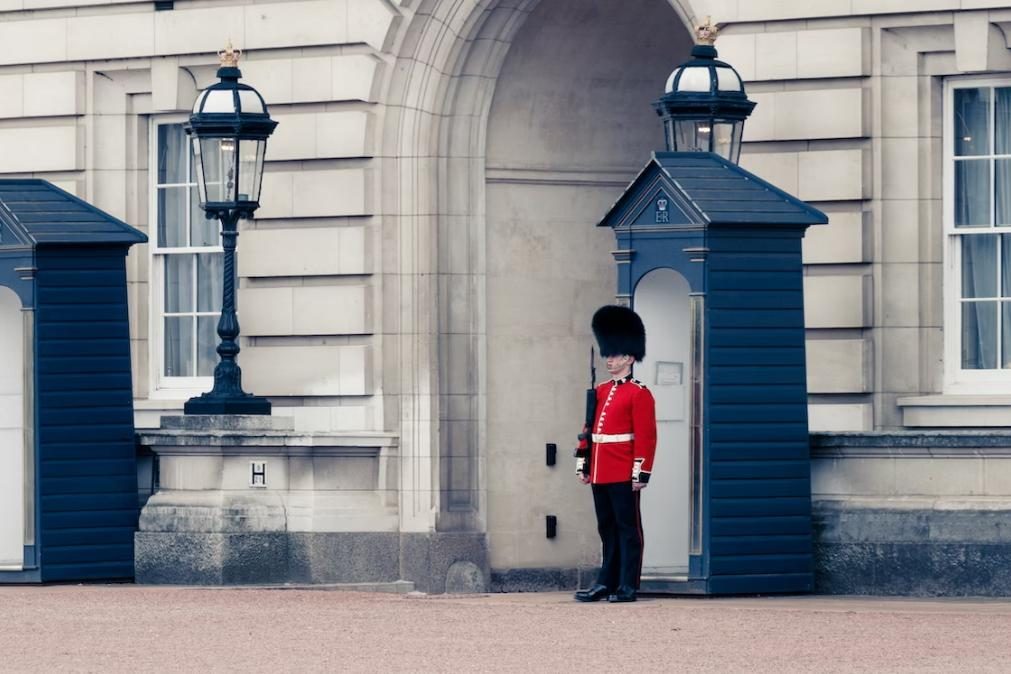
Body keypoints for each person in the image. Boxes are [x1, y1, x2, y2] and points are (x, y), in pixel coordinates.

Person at [574, 305, 657, 603]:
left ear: (630, 357)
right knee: (606, 528)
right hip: (600, 468)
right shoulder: (600, 390)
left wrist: (640, 472)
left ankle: (628, 583)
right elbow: (589, 430)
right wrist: (583, 464)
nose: (610, 360)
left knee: (628, 529)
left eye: (616, 355)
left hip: (623, 470)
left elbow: (646, 437)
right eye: (608, 354)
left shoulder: (639, 393)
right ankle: (605, 582)